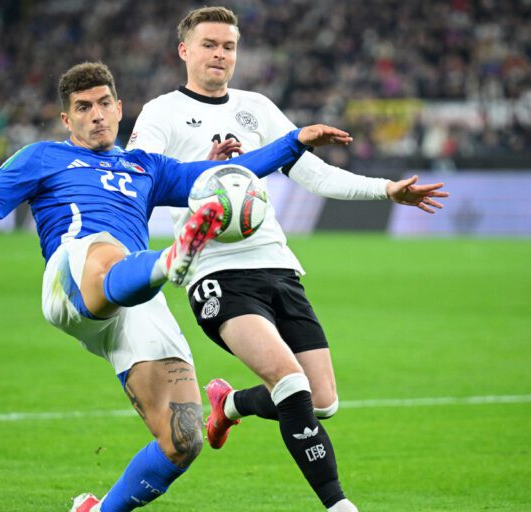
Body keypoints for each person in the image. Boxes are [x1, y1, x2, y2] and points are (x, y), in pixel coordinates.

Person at [0, 62, 346, 512]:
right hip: (74, 276)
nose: (97, 115)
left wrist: (294, 142)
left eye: (104, 103)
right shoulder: (43, 158)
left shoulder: (145, 167)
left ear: (120, 108)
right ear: (67, 119)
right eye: (83, 108)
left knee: (184, 437)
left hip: (135, 300)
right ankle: (172, 257)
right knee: (106, 248)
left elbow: (217, 173)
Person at [126, 7, 449, 512]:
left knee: (322, 401)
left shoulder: (257, 107)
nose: (220, 55)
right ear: (184, 50)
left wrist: (388, 189)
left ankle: (229, 403)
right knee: (289, 379)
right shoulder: (160, 113)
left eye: (229, 46)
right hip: (215, 272)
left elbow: (314, 175)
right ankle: (340, 505)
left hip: (277, 264)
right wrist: (200, 176)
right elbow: (139, 185)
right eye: (209, 44)